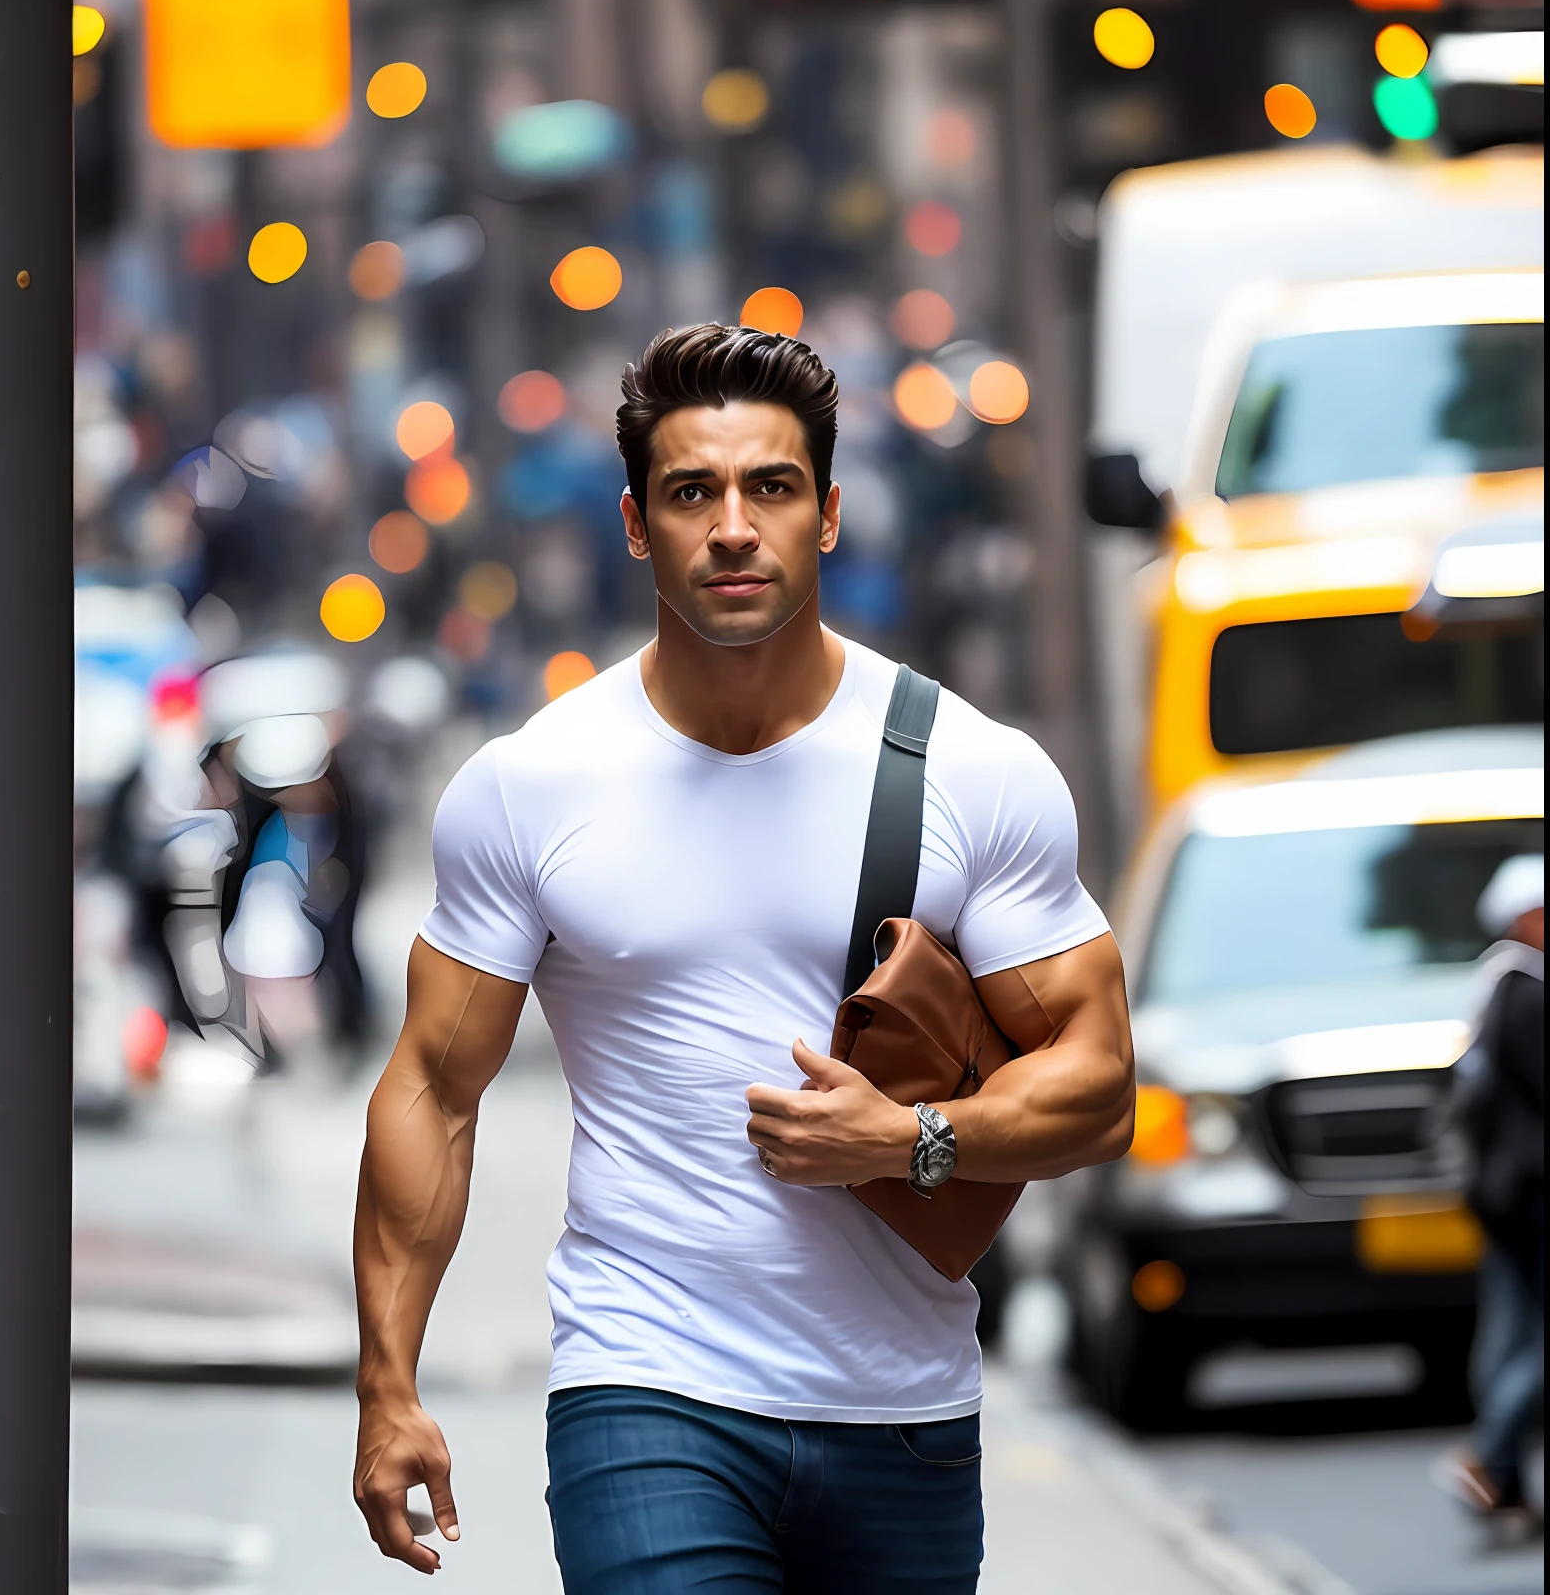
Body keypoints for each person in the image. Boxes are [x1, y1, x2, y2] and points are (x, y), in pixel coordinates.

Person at [352, 323, 1135, 1590]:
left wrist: (908, 1140)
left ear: (826, 514)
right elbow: (432, 1089)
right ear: (632, 522)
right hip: (644, 1387)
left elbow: (1099, 1082)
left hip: (903, 1410)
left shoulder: (970, 770)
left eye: (769, 486)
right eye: (689, 491)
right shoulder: (531, 784)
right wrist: (386, 1382)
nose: (730, 525)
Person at [1438, 852, 1543, 1523]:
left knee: (1508, 1329)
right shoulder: (1530, 994)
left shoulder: (1497, 985)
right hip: (1534, 1188)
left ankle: (1501, 1477)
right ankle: (1490, 1451)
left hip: (1503, 1188)